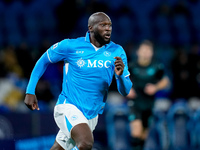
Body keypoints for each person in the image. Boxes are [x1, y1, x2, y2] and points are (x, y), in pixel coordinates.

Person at [24, 12, 132, 150]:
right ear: (91, 28)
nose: (108, 29)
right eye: (103, 25)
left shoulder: (117, 51)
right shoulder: (70, 46)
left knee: (59, 148)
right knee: (86, 143)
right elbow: (43, 61)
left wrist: (121, 75)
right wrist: (30, 91)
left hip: (91, 115)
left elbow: (125, 91)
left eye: (110, 25)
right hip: (68, 106)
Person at [126, 40, 170, 150]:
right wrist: (127, 89)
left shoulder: (157, 66)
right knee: (136, 132)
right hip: (135, 102)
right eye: (143, 50)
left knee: (143, 135)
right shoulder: (131, 66)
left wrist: (155, 87)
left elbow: (165, 81)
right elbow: (121, 80)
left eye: (148, 50)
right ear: (138, 52)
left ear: (152, 53)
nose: (145, 52)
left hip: (149, 103)